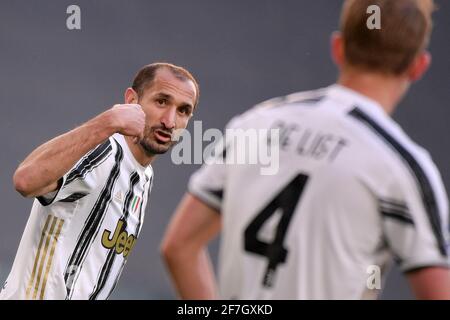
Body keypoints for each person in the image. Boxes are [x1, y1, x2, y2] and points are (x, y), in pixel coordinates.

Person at [161, 0, 450, 299]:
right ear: (418, 67)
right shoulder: (400, 166)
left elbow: (179, 246)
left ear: (338, 48)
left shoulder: (256, 123)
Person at [0, 62, 199, 300]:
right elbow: (25, 180)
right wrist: (108, 121)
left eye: (183, 111)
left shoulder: (144, 176)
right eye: (161, 101)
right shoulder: (103, 152)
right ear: (132, 101)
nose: (170, 121)